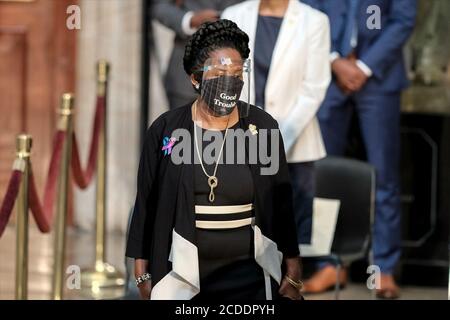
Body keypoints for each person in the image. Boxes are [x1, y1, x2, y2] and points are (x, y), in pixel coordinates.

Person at [126, 19, 303, 300]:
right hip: (182, 273)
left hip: (250, 274)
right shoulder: (167, 129)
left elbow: (282, 202)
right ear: (195, 79)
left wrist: (293, 268)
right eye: (219, 72)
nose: (229, 81)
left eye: (236, 72)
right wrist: (142, 271)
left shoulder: (262, 127)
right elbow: (147, 202)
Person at [301, 0, 417, 299]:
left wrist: (364, 67)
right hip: (326, 77)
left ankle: (382, 269)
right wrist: (334, 60)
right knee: (322, 174)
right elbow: (306, 13)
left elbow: (403, 19)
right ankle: (328, 264)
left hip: (379, 77)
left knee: (383, 176)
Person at [222, 0, 331, 247]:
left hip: (295, 147)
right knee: (243, 229)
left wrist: (274, 139)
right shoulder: (234, 15)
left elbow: (313, 88)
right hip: (241, 142)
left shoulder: (314, 21)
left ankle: (291, 284)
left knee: (293, 235)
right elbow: (224, 77)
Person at [151, 0, 243, 109]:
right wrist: (190, 20)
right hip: (185, 78)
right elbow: (160, 6)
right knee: (183, 124)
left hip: (237, 76)